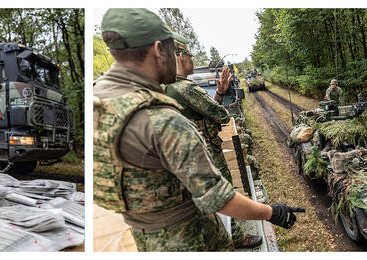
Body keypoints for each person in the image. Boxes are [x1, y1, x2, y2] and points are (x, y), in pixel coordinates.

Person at [93, 8, 304, 252]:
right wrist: (273, 212)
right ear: (159, 49)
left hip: (146, 237)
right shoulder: (161, 119)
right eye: (173, 50)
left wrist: (220, 93)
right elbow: (219, 198)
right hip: (189, 239)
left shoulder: (100, 100)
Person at [161, 38, 260, 248]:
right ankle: (236, 237)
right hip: (206, 151)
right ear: (180, 56)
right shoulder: (185, 88)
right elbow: (222, 116)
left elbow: (205, 111)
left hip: (190, 151)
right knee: (223, 191)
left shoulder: (167, 87)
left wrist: (220, 93)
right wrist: (221, 102)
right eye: (190, 57)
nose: (191, 62)